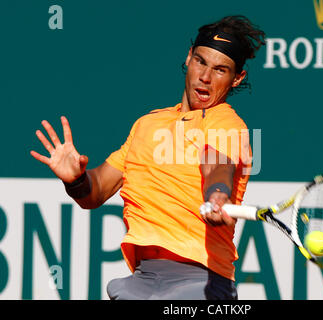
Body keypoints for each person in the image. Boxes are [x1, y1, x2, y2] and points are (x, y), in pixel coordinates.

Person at [30, 15, 265, 300]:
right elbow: (96, 191)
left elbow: (217, 166)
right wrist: (77, 179)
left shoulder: (225, 123)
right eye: (201, 61)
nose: (205, 77)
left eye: (220, 69)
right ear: (189, 57)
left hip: (199, 283)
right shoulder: (147, 124)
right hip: (141, 281)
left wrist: (217, 194)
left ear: (236, 78)